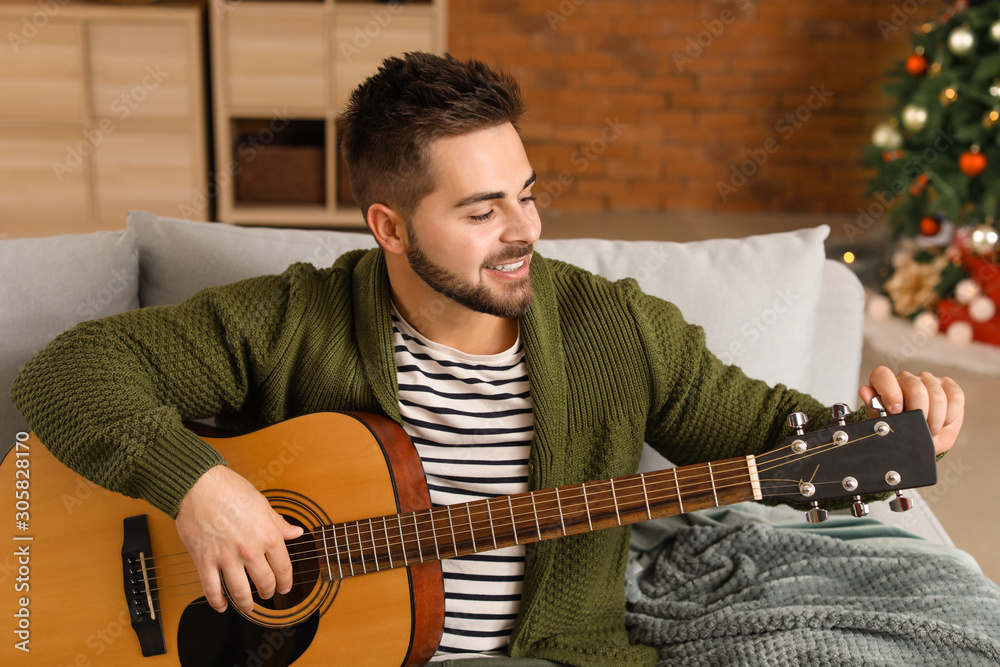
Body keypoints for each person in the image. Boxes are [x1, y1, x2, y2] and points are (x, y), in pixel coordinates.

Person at [11, 53, 964, 666]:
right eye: (481, 211)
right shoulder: (297, 315)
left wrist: (878, 423)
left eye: (528, 194)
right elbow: (65, 374)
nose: (525, 232)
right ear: (389, 224)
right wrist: (201, 489)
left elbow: (769, 435)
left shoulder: (614, 330)